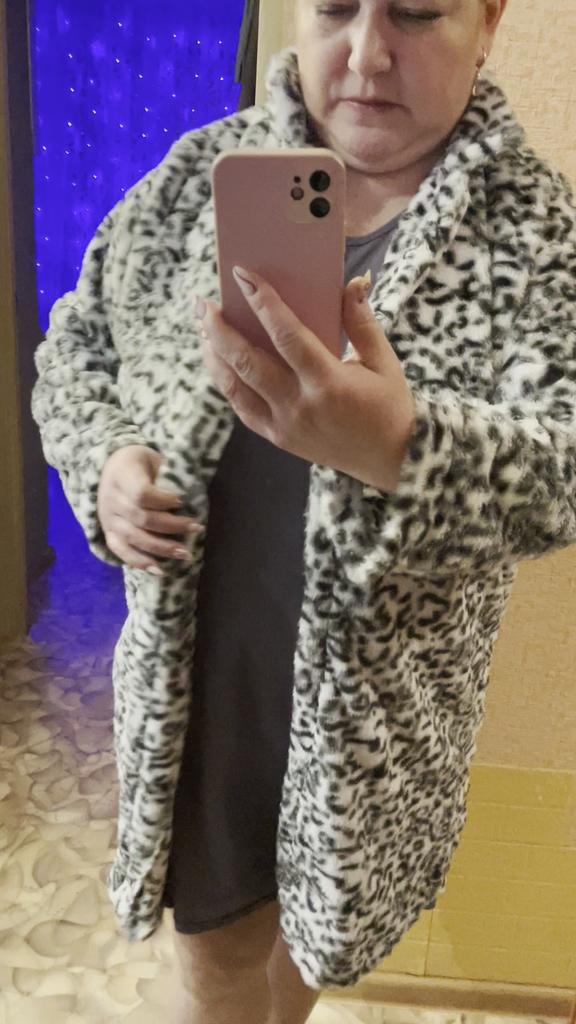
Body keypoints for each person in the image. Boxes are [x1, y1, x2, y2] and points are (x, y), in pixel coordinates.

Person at [31, 0, 576, 1021]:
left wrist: (401, 446)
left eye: (416, 13)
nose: (367, 53)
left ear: (488, 22)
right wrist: (106, 462)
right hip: (208, 691)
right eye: (334, 8)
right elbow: (77, 349)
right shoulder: (200, 179)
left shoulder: (534, 230)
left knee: (306, 954)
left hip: (378, 732)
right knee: (219, 963)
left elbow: (566, 469)